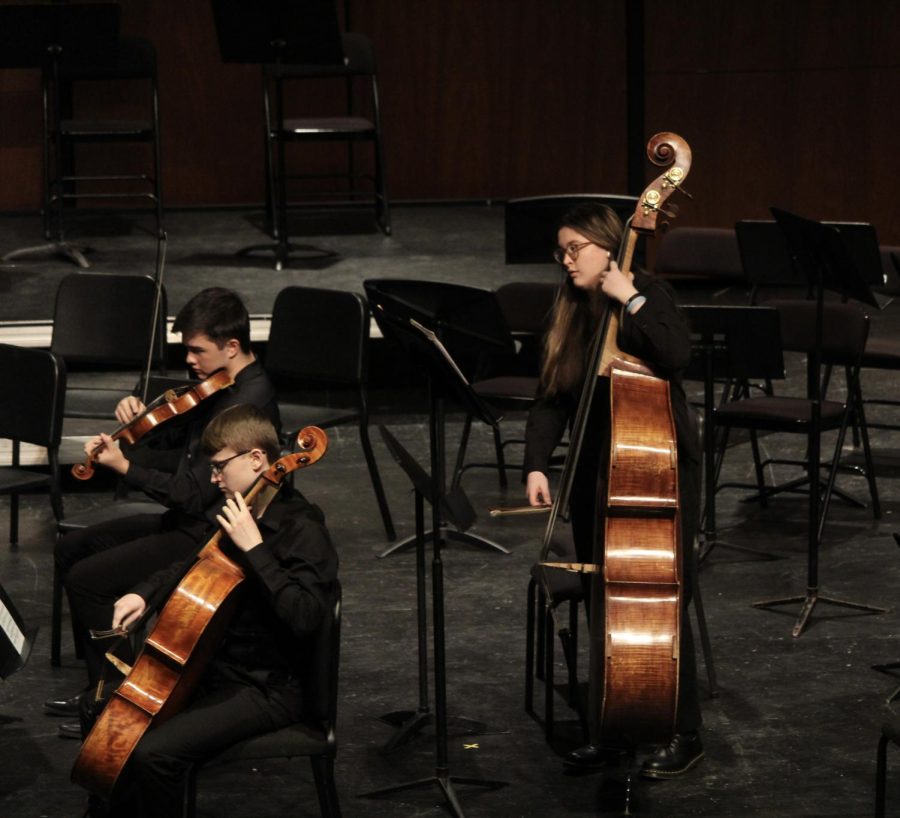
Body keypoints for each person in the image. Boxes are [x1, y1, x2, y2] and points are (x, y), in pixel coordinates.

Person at [81, 404, 338, 818]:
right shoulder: (240, 509)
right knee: (105, 712)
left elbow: (306, 617)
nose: (213, 477)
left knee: (154, 753)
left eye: (220, 466)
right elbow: (190, 561)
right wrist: (144, 595)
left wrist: (255, 549)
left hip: (268, 688)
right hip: (216, 669)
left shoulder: (303, 529)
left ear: (257, 459)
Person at [47, 287, 280, 734]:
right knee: (71, 549)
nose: (189, 360)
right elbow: (180, 449)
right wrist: (138, 426)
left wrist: (126, 468)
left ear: (232, 346)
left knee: (87, 580)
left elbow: (193, 493)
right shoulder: (221, 385)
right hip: (186, 518)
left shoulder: (247, 402)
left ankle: (113, 698)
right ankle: (101, 679)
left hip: (207, 532)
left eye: (197, 349)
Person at [523, 203, 703, 779]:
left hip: (659, 472)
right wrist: (535, 465)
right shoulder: (573, 311)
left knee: (663, 601)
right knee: (606, 601)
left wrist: (633, 299)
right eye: (562, 251)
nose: (566, 260)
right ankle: (615, 728)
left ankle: (685, 731)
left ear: (608, 246)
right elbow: (553, 395)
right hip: (597, 470)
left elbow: (676, 355)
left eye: (576, 248)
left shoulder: (648, 293)